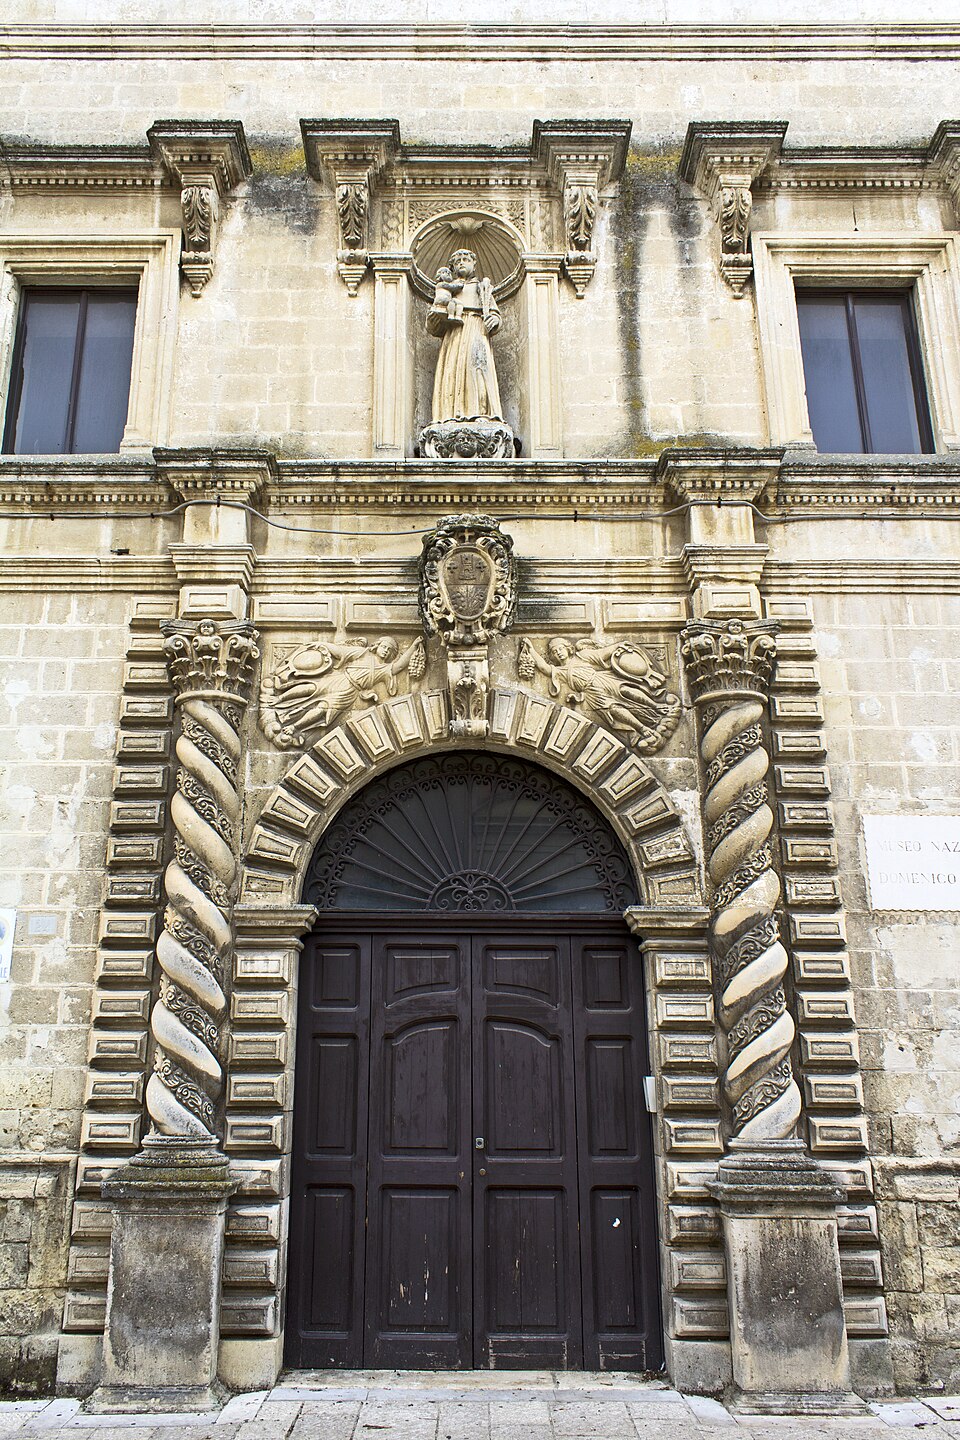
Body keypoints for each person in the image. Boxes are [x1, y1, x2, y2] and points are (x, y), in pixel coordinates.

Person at [519, 636, 681, 751]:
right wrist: (531, 649)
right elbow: (544, 668)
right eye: (554, 652)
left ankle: (656, 706)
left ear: (568, 648)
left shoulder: (583, 656)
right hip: (592, 693)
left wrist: (619, 646)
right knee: (613, 709)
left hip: (603, 679)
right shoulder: (560, 671)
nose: (558, 653)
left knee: (627, 690)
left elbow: (604, 653)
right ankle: (642, 728)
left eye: (560, 649)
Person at [263, 636, 425, 746]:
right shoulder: (362, 653)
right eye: (384, 647)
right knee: (310, 688)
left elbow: (400, 666)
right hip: (340, 679)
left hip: (349, 692)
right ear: (377, 646)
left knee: (322, 710)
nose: (386, 651)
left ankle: (294, 727)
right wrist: (324, 645)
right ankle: (279, 699)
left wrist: (413, 647)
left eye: (390, 651)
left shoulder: (384, 669)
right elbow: (339, 651)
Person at [427, 248, 503, 423]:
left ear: (474, 264)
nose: (462, 262)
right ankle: (450, 415)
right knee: (452, 371)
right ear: (452, 268)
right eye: (458, 261)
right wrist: (434, 318)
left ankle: (481, 412)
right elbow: (434, 327)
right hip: (455, 333)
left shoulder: (481, 288)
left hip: (477, 329)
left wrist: (494, 320)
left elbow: (494, 314)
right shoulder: (448, 289)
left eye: (466, 259)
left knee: (478, 368)